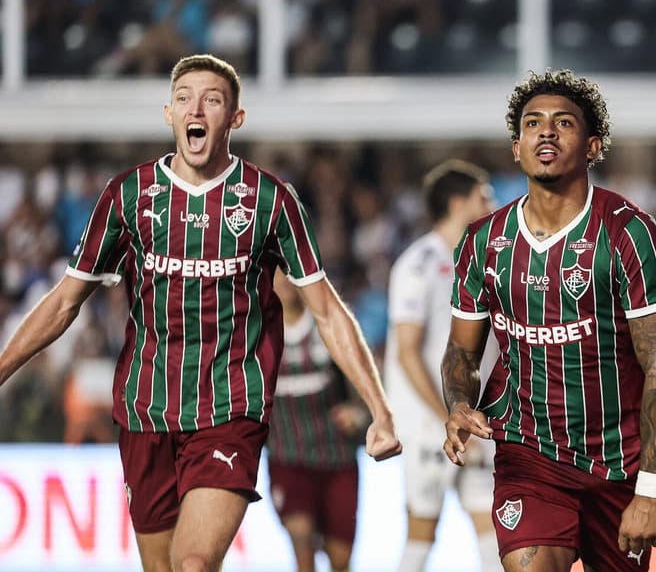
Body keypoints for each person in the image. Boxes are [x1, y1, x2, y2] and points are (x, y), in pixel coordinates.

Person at [0, 54, 401, 572]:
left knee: (194, 564)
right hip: (145, 410)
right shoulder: (129, 196)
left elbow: (327, 309)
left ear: (235, 118)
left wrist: (380, 410)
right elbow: (63, 302)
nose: (197, 108)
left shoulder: (270, 201)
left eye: (212, 99)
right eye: (186, 98)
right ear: (169, 114)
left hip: (230, 410)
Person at [441, 69, 656, 572]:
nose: (545, 132)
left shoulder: (630, 234)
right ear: (516, 148)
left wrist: (651, 492)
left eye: (563, 123)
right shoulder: (484, 240)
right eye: (532, 123)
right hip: (528, 453)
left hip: (618, 463)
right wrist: (460, 402)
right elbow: (462, 353)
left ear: (594, 146)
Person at [384, 159, 501, 572]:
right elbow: (406, 351)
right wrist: (447, 415)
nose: (492, 203)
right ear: (457, 203)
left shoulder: (483, 261)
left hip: (472, 419)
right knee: (422, 529)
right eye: (483, 195)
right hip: (429, 422)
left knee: (493, 524)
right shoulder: (418, 264)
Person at [268, 270, 370, 572]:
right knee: (301, 539)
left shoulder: (330, 325)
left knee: (340, 560)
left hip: (336, 456)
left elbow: (366, 383)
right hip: (288, 457)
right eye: (277, 272)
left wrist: (360, 414)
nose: (285, 280)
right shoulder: (256, 331)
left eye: (290, 272)